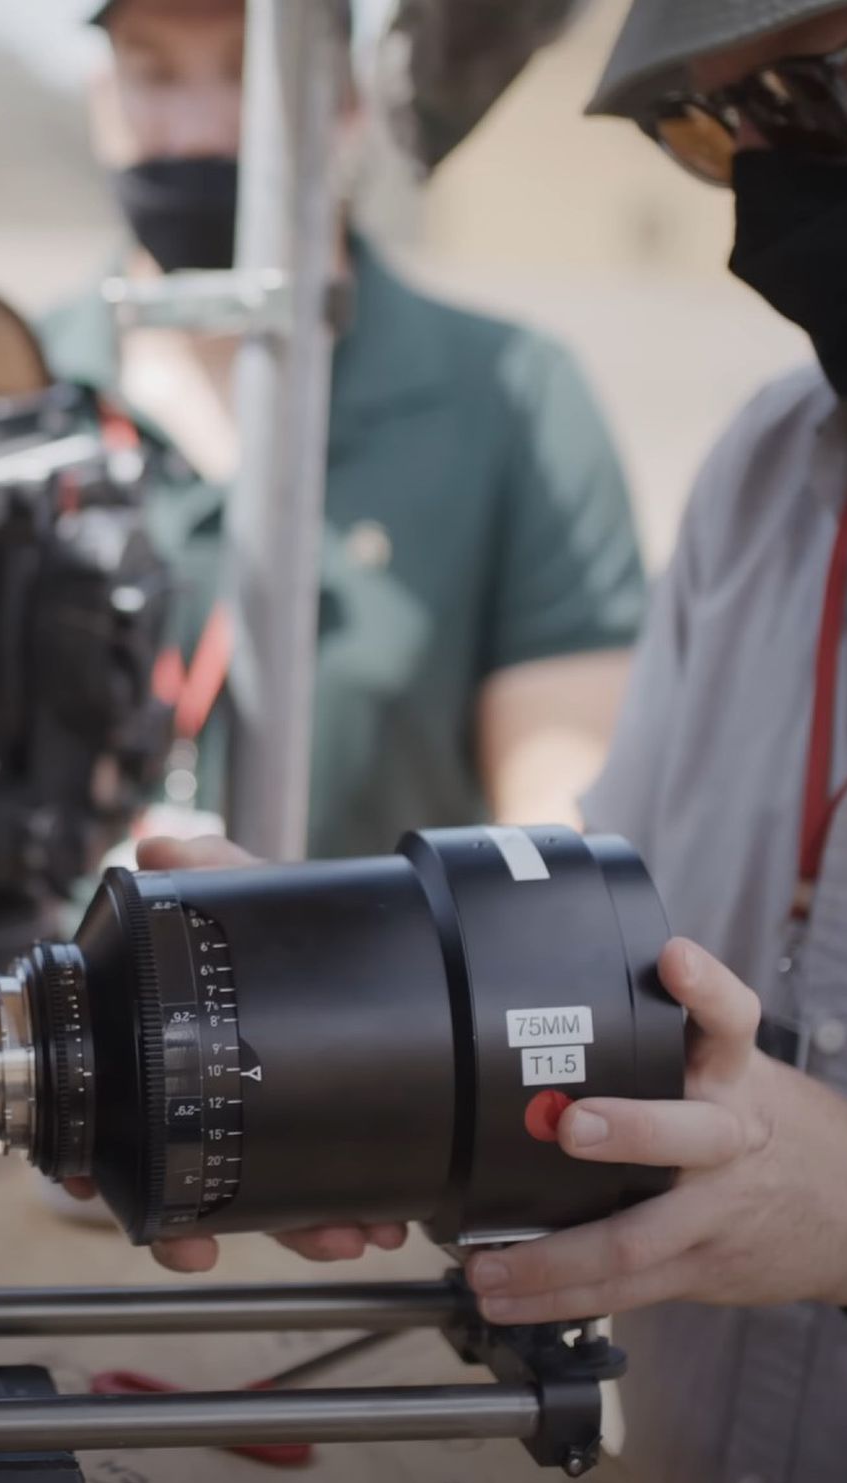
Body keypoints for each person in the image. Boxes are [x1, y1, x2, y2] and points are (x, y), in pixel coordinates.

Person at [119, 6, 847, 1483]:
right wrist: (349, 1000)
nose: (760, 173)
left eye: (807, 95)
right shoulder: (780, 468)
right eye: (710, 127)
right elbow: (601, 972)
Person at [39, 0, 646, 858]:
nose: (200, 130)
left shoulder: (509, 398)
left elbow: (560, 824)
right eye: (155, 74)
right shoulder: (5, 391)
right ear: (106, 97)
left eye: (252, 76)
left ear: (348, 99)